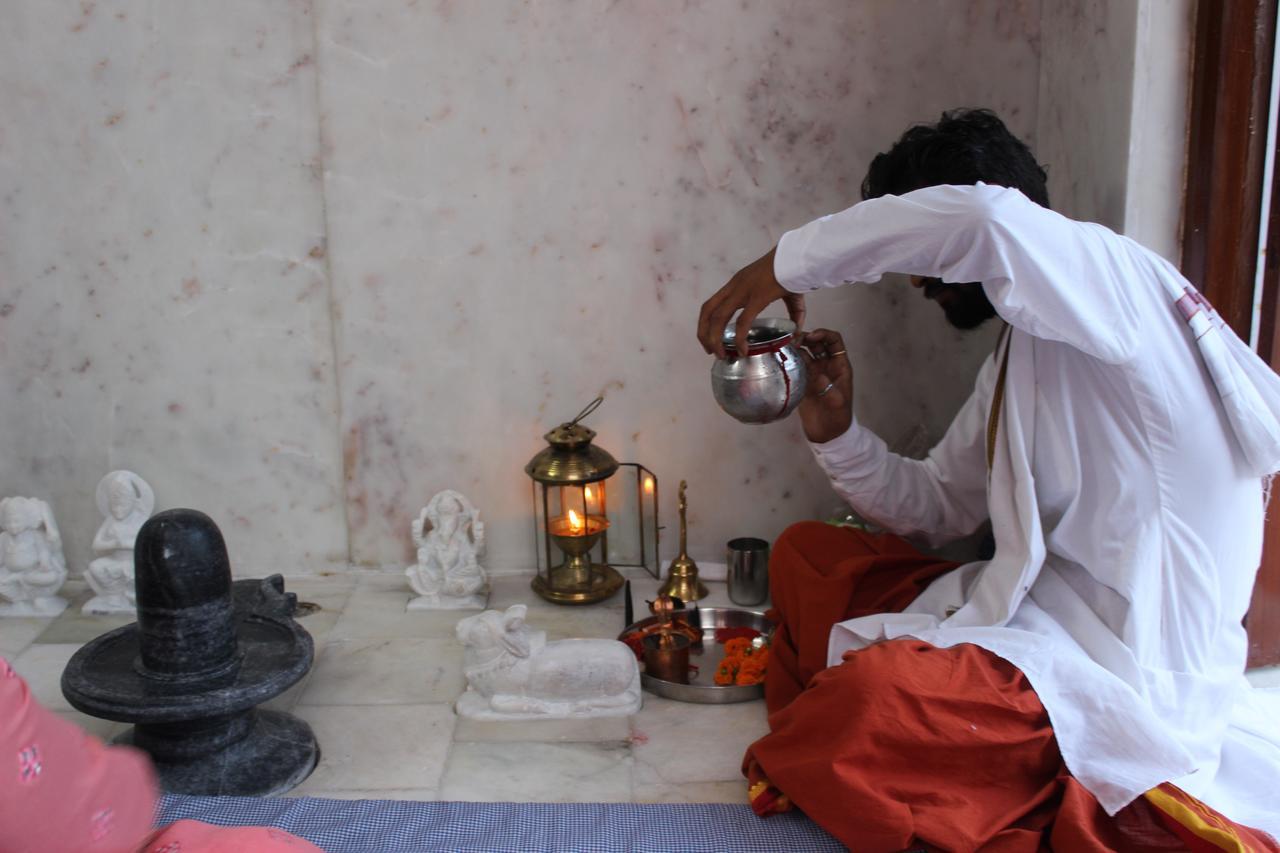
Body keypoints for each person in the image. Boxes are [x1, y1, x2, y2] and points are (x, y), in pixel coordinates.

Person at [697, 109, 1280, 851]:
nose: (915, 278)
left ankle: (943, 734)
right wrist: (835, 426)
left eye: (919, 244)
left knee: (872, 702)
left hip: (1126, 678)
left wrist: (781, 265)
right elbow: (939, 506)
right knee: (806, 552)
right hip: (1030, 622)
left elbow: (984, 216)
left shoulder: (1114, 276)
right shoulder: (1022, 349)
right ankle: (922, 719)